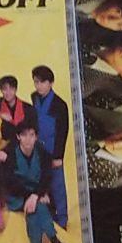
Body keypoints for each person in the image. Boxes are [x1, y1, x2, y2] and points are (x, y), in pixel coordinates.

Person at [4, 121, 75, 243]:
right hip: (18, 196)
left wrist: (36, 195)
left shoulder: (42, 152)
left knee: (35, 212)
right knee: (38, 207)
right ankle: (56, 242)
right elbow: (10, 184)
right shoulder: (11, 154)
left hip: (36, 195)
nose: (28, 139)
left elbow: (46, 177)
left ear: (36, 137)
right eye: (24, 135)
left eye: (31, 135)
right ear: (18, 137)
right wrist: (32, 195)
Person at [31, 66, 70, 229]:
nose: (39, 86)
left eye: (43, 82)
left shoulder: (60, 105)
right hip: (37, 149)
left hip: (53, 149)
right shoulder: (34, 97)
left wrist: (58, 156)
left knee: (57, 185)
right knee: (41, 182)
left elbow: (62, 132)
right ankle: (47, 214)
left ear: (51, 83)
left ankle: (62, 219)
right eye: (36, 82)